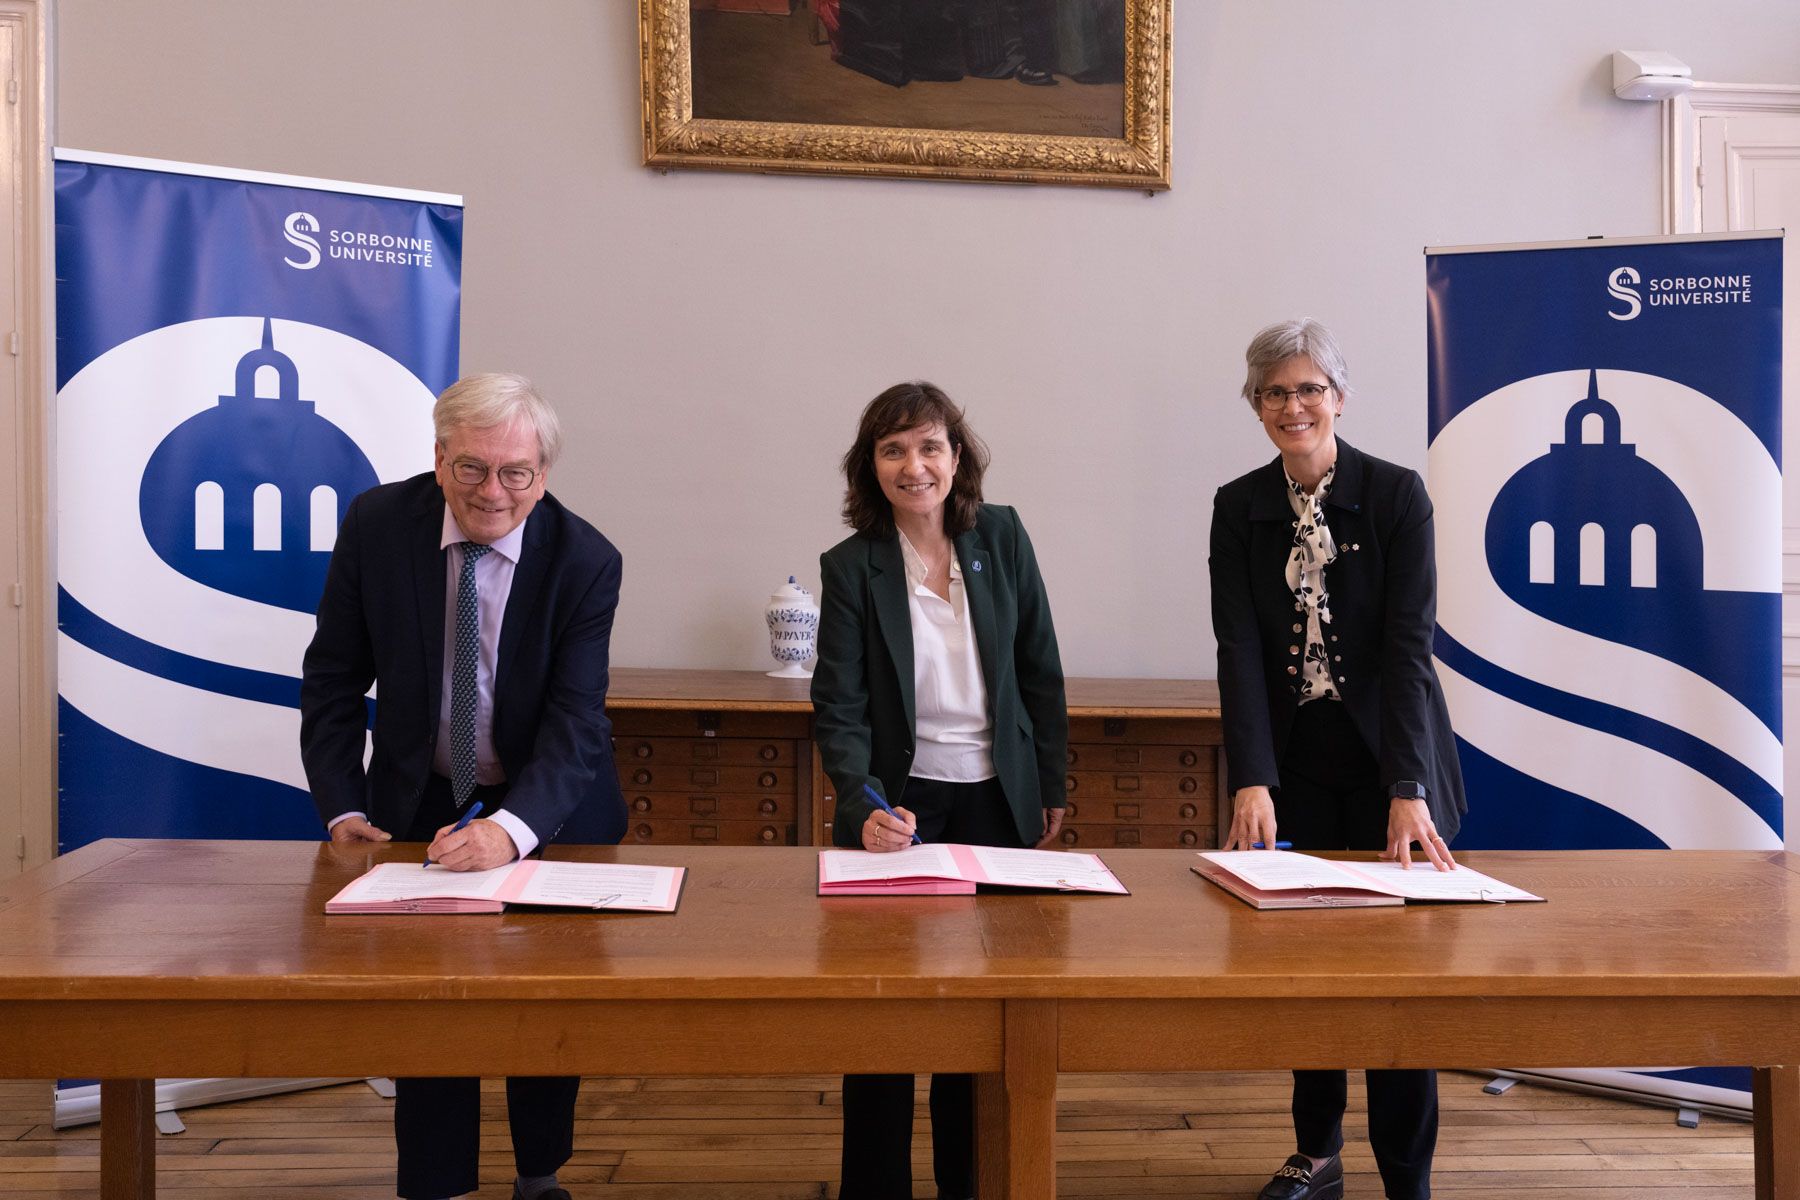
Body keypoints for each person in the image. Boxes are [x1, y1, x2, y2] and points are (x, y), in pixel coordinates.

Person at [300, 372, 625, 1200]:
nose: (494, 491)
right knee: (431, 1006)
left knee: (548, 1004)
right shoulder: (379, 524)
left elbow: (575, 720)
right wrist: (342, 802)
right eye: (473, 468)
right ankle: (438, 1182)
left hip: (551, 802)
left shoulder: (586, 559)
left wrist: (511, 828)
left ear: (543, 473)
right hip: (419, 796)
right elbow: (334, 675)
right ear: (439, 458)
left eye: (516, 472)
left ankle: (538, 1173)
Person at [1209, 320, 1467, 1200]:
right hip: (1294, 767)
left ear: (1340, 398)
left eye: (1310, 388)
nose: (1293, 405)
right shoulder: (1238, 504)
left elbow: (1407, 647)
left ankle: (1408, 1175)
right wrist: (1252, 776)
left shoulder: (1397, 496)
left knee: (1403, 986)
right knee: (1305, 974)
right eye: (1275, 392)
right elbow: (1237, 646)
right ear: (1256, 407)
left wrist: (1408, 787)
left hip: (1392, 760)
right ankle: (1316, 1153)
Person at [812, 380, 1068, 1200]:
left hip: (996, 801)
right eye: (894, 450)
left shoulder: (1003, 535)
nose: (914, 465)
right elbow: (840, 707)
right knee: (883, 1018)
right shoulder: (852, 567)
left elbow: (1040, 668)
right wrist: (863, 805)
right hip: (902, 805)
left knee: (984, 1019)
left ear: (958, 456)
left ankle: (972, 1183)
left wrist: (1051, 784)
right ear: (871, 467)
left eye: (929, 446)